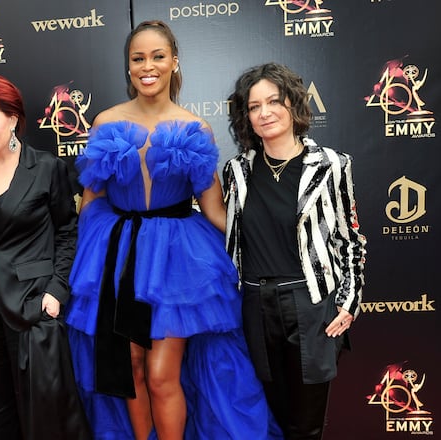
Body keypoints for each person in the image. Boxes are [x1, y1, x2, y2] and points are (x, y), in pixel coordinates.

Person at [66, 20, 281, 439]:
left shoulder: (194, 127)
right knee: (128, 368)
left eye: (158, 56)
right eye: (138, 58)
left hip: (176, 260)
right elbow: (90, 202)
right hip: (118, 256)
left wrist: (272, 239)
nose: (148, 66)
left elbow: (218, 211)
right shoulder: (106, 122)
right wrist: (78, 266)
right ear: (128, 67)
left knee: (163, 375)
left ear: (174, 62)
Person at [224, 62, 366, 439]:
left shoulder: (332, 166)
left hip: (311, 302)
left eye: (274, 101)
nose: (265, 112)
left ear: (294, 106)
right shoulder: (236, 171)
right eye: (254, 106)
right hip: (254, 306)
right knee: (269, 421)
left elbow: (351, 240)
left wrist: (349, 301)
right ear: (246, 117)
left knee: (306, 425)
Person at [0, 74, 91, 440]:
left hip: (33, 304)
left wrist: (56, 290)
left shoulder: (46, 167)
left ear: (12, 118)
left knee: (45, 414)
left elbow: (67, 230)